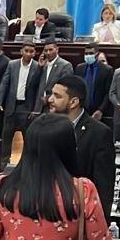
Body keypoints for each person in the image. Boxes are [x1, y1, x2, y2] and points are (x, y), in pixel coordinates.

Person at [48, 75, 114, 218]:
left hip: (78, 213)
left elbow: (104, 186)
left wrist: (99, 223)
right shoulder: (44, 126)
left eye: (57, 96)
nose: (50, 99)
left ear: (73, 102)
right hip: (46, 210)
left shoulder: (99, 133)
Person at [0, 41, 41, 156]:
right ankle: (2, 167)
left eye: (31, 51)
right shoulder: (12, 64)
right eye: (26, 51)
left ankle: (26, 168)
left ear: (35, 53)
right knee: (6, 140)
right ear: (21, 51)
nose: (28, 53)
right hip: (11, 107)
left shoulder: (38, 66)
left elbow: (39, 90)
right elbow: (4, 84)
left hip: (27, 108)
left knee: (28, 141)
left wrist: (36, 109)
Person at [34, 41, 73, 114]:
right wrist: (39, 67)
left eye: (51, 50)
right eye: (46, 50)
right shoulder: (42, 65)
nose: (48, 53)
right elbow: (33, 84)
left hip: (55, 106)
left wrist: (49, 97)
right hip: (39, 108)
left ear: (57, 49)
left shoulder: (65, 65)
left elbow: (65, 88)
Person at [75, 46, 113, 121]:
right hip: (82, 110)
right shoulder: (80, 68)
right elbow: (77, 88)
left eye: (91, 53)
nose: (88, 56)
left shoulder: (106, 70)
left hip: (99, 111)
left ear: (97, 54)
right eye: (86, 53)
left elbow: (108, 93)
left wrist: (101, 110)